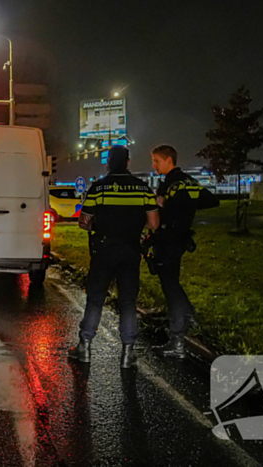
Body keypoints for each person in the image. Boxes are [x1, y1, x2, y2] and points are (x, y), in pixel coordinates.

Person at [69, 145, 159, 368]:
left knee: (96, 298)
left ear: (108, 163)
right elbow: (154, 223)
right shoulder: (142, 188)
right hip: (130, 251)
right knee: (128, 301)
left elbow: (83, 222)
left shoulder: (98, 188)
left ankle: (85, 347)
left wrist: (95, 225)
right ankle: (128, 353)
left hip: (103, 251)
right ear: (128, 163)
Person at [150, 144, 218, 358]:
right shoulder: (186, 182)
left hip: (169, 239)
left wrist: (167, 204)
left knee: (170, 287)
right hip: (177, 239)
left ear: (169, 160)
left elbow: (208, 202)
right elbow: (209, 199)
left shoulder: (175, 183)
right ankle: (188, 316)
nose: (153, 165)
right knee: (171, 283)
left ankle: (177, 339)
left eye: (156, 161)